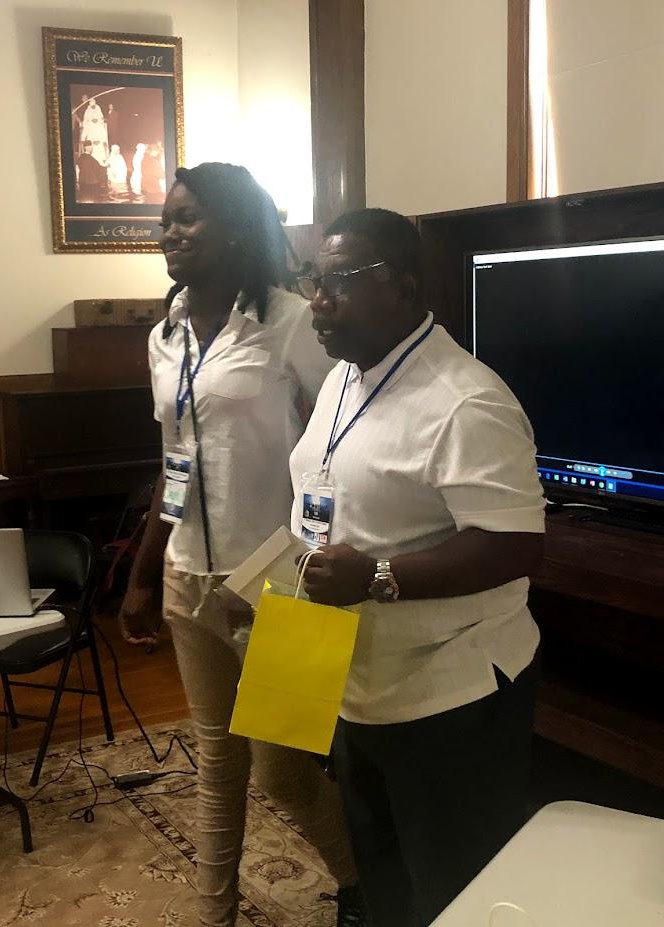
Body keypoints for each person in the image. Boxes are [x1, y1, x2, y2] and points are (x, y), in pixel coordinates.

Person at [118, 162, 368, 927]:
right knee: (216, 764)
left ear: (232, 227)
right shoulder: (163, 337)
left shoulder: (291, 323)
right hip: (188, 579)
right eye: (165, 220)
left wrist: (306, 556)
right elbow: (175, 463)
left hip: (283, 582)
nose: (169, 232)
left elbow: (343, 445)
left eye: (186, 217)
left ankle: (365, 882)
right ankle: (214, 914)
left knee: (283, 773)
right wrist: (142, 571)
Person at [290, 208, 546, 927]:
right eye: (312, 279)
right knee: (383, 876)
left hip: (448, 696)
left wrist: (376, 577)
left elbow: (515, 545)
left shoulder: (465, 401)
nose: (318, 299)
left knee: (454, 890)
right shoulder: (345, 378)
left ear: (401, 287)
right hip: (357, 679)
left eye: (339, 281)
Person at [80, 96, 109, 164]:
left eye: (94, 106)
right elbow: (85, 123)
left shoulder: (99, 123)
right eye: (92, 106)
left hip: (99, 141)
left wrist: (102, 141)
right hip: (91, 141)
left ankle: (101, 163)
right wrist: (83, 139)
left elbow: (101, 119)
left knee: (100, 151)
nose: (93, 107)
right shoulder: (88, 117)